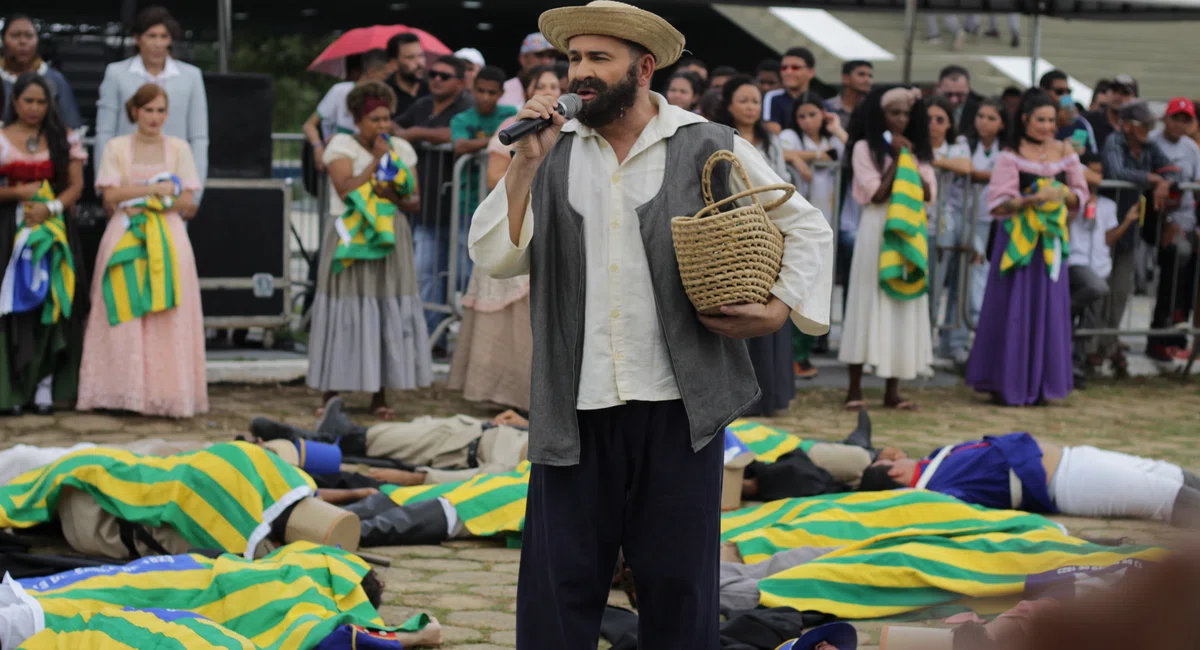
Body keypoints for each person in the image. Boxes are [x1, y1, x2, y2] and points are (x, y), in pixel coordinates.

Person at [470, 2, 833, 647]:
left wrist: (779, 309)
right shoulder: (549, 150)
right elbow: (496, 256)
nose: (579, 73)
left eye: (596, 59)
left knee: (679, 586)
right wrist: (524, 162)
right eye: (574, 58)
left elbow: (806, 227)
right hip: (575, 404)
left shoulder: (707, 141)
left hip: (678, 406)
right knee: (559, 589)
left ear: (642, 68)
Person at [76, 83, 206, 417]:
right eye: (148, 109)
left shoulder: (179, 148)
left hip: (167, 235)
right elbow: (109, 196)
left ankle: (166, 394)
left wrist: (140, 197)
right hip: (124, 234)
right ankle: (119, 390)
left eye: (161, 110)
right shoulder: (117, 147)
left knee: (167, 312)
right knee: (121, 303)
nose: (154, 117)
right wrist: (154, 190)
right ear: (134, 111)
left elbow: (187, 200)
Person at [306, 81, 432, 420]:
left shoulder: (402, 150)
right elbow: (346, 190)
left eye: (386, 118)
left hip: (389, 237)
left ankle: (380, 394)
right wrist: (375, 163)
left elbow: (414, 200)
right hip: (351, 237)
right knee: (344, 309)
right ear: (358, 120)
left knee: (383, 310)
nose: (382, 126)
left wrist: (389, 192)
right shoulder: (341, 146)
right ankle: (331, 392)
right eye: (374, 119)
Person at [966, 90, 1087, 406]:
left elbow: (1081, 194)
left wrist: (1061, 195)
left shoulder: (1066, 152)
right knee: (1014, 309)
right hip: (1018, 244)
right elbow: (998, 202)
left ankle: (1043, 382)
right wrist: (1032, 199)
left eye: (1051, 120)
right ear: (1025, 120)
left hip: (1050, 243)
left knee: (1048, 308)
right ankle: (1006, 379)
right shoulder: (1010, 155)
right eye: (1040, 120)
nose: (1047, 127)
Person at [450, 65, 559, 413]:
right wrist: (530, 170)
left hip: (553, 228)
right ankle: (504, 396)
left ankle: (540, 397)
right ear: (528, 89)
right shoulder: (515, 127)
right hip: (516, 223)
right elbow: (495, 174)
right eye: (541, 85)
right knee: (508, 321)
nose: (549, 91)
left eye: (554, 84)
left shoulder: (573, 128)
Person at [858, 431, 1200, 527]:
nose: (897, 452)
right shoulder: (934, 490)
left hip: (1073, 456)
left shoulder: (934, 461)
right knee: (1167, 497)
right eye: (891, 458)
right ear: (895, 473)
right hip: (1067, 482)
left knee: (1168, 472)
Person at [838, 86, 937, 412]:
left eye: (906, 113)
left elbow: (926, 193)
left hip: (909, 228)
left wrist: (907, 156)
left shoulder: (919, 152)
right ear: (881, 115)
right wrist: (897, 160)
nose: (900, 119)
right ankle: (854, 388)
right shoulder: (865, 148)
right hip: (877, 228)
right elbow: (876, 194)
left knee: (901, 301)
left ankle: (893, 390)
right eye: (894, 113)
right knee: (867, 299)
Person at [0, 73, 87, 416]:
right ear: (15, 102)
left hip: (55, 232)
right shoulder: (2, 137)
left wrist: (50, 207)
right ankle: (13, 388)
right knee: (13, 304)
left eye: (41, 101)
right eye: (28, 101)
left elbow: (76, 185)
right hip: (10, 231)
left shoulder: (64, 138)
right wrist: (18, 194)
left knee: (54, 301)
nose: (35, 108)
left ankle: (46, 386)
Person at [716, 74, 797, 416]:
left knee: (770, 307)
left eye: (755, 101)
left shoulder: (771, 139)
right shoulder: (717, 135)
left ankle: (769, 394)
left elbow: (782, 180)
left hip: (769, 231)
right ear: (729, 104)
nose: (750, 107)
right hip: (731, 233)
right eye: (744, 100)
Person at [94, 6, 207, 210]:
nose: (157, 43)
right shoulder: (116, 73)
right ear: (137, 39)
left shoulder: (191, 76)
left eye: (164, 36)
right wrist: (105, 191)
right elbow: (105, 133)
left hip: (174, 189)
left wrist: (195, 195)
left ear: (171, 40)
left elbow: (199, 138)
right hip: (126, 187)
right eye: (151, 35)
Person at [1098, 99, 1173, 375]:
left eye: (1151, 124)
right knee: (1099, 292)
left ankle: (1106, 346)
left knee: (1119, 293)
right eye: (1145, 124)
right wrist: (1153, 179)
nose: (1149, 129)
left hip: (1129, 230)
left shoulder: (1149, 146)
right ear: (1127, 125)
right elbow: (1116, 171)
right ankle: (1092, 347)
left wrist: (1162, 180)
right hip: (1104, 230)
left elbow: (1171, 170)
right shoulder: (1114, 142)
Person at [780, 91, 849, 380]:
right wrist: (803, 158)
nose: (807, 121)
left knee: (818, 290)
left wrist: (836, 128)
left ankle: (805, 352)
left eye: (813, 114)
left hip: (828, 224)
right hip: (799, 226)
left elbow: (852, 151)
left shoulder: (833, 138)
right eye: (802, 116)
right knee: (797, 289)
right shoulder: (791, 137)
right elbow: (783, 152)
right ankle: (792, 356)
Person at [1146, 97, 1200, 362]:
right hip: (1158, 224)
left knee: (1188, 277)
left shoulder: (1191, 148)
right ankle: (1159, 336)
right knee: (1176, 263)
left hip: (1188, 223)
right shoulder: (1153, 142)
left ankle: (1179, 336)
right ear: (1165, 118)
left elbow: (1196, 186)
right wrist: (1168, 223)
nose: (1179, 124)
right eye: (1175, 118)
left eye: (1185, 119)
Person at [1069, 174, 1136, 381]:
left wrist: (1127, 221)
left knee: (1090, 319)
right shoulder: (1071, 199)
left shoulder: (1108, 205)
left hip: (1099, 265)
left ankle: (1077, 366)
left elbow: (1109, 239)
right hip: (1075, 261)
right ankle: (1062, 313)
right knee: (1097, 288)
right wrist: (1079, 204)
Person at [925, 95, 974, 365]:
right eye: (929, 119)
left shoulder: (958, 145)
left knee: (957, 285)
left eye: (939, 120)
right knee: (930, 287)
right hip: (925, 225)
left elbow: (966, 166)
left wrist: (934, 160)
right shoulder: (913, 145)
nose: (933, 125)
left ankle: (951, 344)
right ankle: (924, 341)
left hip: (952, 224)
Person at [301, 49, 395, 172]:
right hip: (339, 162)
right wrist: (318, 148)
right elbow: (309, 125)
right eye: (385, 75)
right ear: (372, 71)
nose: (388, 80)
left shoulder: (383, 98)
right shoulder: (340, 91)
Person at [450, 64, 517, 214]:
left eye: (491, 92)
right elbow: (460, 146)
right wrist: (498, 140)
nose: (485, 97)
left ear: (501, 93)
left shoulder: (511, 114)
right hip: (469, 198)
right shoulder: (461, 119)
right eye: (481, 91)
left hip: (501, 196)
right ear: (473, 89)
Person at [0, 14, 82, 129]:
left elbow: (71, 127)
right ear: (3, 40)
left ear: (38, 41)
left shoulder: (55, 79)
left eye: (29, 36)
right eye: (15, 36)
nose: (23, 41)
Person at [763, 47, 816, 134]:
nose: (788, 72)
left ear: (811, 72)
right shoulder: (773, 98)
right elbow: (775, 137)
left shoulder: (819, 102)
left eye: (795, 68)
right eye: (784, 68)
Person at [499, 32, 558, 108]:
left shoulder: (562, 89)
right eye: (540, 55)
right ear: (523, 59)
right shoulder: (505, 90)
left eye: (551, 56)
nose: (547, 61)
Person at [385, 32, 428, 120]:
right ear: (394, 63)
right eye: (410, 57)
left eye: (421, 56)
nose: (419, 63)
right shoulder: (384, 93)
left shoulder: (432, 90)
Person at [825, 60, 873, 130]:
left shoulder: (874, 109)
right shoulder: (827, 107)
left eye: (870, 76)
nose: (867, 80)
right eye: (861, 74)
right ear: (845, 78)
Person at [935, 65, 978, 134]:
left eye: (960, 95)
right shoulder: (926, 108)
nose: (954, 100)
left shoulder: (980, 108)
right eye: (948, 94)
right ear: (938, 87)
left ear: (968, 88)